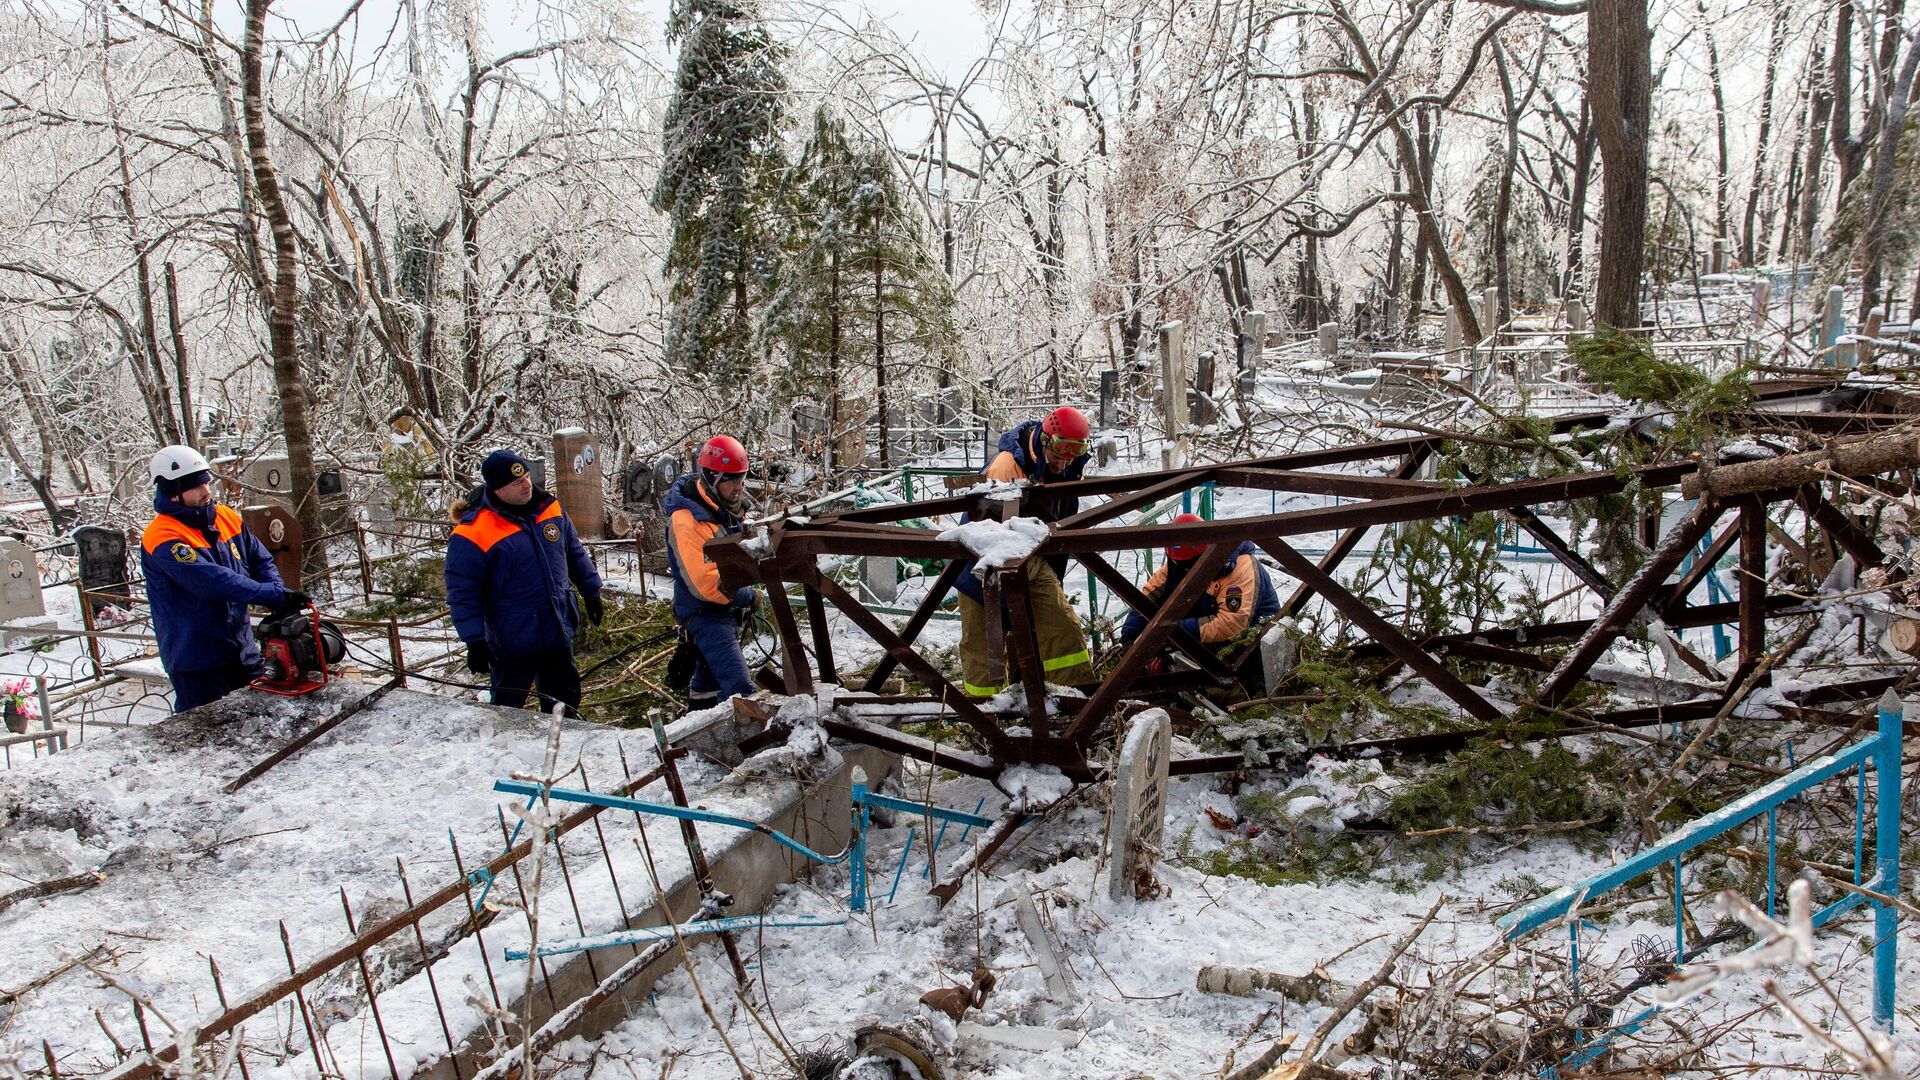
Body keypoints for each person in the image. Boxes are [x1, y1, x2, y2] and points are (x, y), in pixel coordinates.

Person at [139, 445, 309, 712]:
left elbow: (259, 558)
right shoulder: (162, 537)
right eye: (196, 487)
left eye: (207, 483)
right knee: (206, 737)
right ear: (173, 494)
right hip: (198, 661)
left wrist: (277, 591)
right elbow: (214, 582)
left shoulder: (225, 517)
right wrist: (271, 595)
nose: (207, 491)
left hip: (242, 652)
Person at [954, 406, 1097, 697]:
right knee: (984, 648)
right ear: (1045, 440)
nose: (1065, 460)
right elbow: (989, 532)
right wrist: (1009, 604)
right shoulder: (1006, 466)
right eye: (1060, 451)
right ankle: (985, 719)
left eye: (1074, 452)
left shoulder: (1072, 467)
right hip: (981, 564)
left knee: (1062, 628)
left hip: (1033, 560)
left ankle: (1076, 702)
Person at [445, 449, 604, 712]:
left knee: (564, 704)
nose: (527, 485)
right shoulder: (473, 533)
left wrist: (591, 591)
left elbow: (573, 552)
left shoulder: (549, 508)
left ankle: (564, 748)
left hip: (555, 627)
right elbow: (462, 592)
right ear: (497, 490)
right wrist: (474, 640)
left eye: (527, 476)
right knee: (507, 709)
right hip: (511, 639)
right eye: (517, 482)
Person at [1119, 513, 1281, 682]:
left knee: (1224, 686)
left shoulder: (1240, 569)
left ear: (1207, 550)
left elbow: (1231, 623)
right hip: (1204, 634)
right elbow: (1145, 600)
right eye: (1180, 563)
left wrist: (1167, 634)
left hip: (1247, 646)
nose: (1186, 569)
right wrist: (1130, 640)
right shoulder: (1175, 565)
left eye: (1190, 563)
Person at [664, 435, 758, 707]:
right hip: (705, 613)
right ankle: (745, 743)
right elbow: (705, 584)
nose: (739, 486)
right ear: (712, 477)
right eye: (732, 479)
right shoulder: (687, 520)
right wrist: (748, 595)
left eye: (742, 477)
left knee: (707, 685)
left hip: (722, 611)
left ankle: (697, 725)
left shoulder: (725, 508)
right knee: (739, 688)